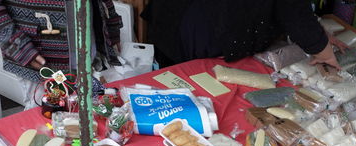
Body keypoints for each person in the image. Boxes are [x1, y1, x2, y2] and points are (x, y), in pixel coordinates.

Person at [142, 0, 343, 68]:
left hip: (171, 18)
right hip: (198, 31)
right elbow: (293, 10)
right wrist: (324, 52)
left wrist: (317, 32)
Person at [0, 0, 124, 82]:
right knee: (47, 121)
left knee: (91, 120)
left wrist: (111, 24)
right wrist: (16, 45)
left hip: (91, 52)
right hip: (39, 58)